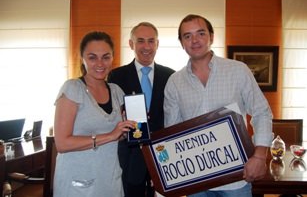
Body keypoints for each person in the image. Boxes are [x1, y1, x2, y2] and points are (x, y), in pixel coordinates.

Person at [163, 14, 273, 197]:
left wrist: (260, 156)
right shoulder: (174, 82)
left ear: (211, 37)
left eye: (200, 33)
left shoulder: (238, 70)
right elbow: (173, 131)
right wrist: (166, 170)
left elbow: (262, 112)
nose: (195, 40)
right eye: (187, 36)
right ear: (181, 42)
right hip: (195, 179)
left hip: (237, 177)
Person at [53, 31, 136, 197]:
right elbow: (62, 143)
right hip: (78, 183)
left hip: (110, 179)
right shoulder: (72, 88)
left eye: (106, 57)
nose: (100, 63)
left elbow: (118, 136)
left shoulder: (116, 91)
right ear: (82, 58)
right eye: (92, 57)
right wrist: (110, 135)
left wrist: (133, 128)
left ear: (113, 57)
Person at [107, 22, 175, 197]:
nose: (146, 46)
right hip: (130, 154)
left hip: (163, 152)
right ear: (131, 44)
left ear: (157, 44)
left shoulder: (171, 76)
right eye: (141, 41)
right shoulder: (116, 76)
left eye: (151, 41)